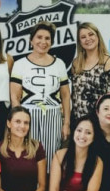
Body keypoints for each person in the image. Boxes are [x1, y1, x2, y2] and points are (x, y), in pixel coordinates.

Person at [10, 22, 71, 157]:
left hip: (53, 118)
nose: (43, 42)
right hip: (28, 119)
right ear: (31, 40)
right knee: (29, 157)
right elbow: (15, 97)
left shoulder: (59, 64)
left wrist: (66, 123)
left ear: (52, 42)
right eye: (39, 37)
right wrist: (19, 122)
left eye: (47, 38)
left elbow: (66, 95)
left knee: (52, 157)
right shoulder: (20, 64)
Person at [70, 22, 110, 121]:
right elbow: (74, 95)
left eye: (91, 34)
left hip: (100, 121)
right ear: (79, 41)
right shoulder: (76, 63)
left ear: (98, 36)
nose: (88, 39)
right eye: (83, 37)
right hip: (78, 122)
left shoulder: (108, 62)